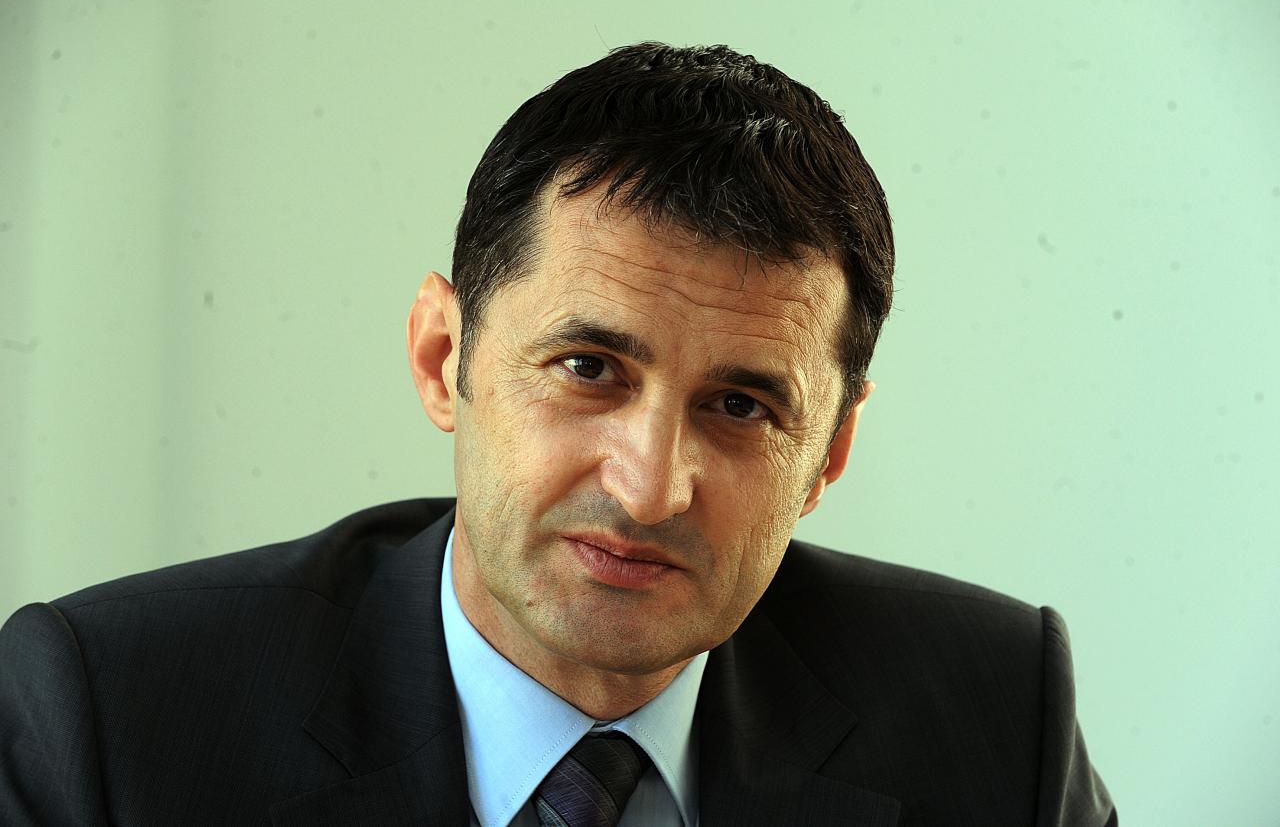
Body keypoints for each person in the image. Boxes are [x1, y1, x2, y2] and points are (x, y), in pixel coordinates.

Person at [0, 42, 1116, 826]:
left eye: (740, 405)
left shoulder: (996, 715)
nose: (647, 487)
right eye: (588, 369)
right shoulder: (113, 720)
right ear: (444, 358)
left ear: (826, 452)